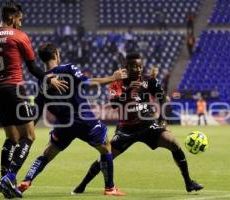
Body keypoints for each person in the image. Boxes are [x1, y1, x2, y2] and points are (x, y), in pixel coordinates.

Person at [72, 53, 203, 194]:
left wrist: (162, 119)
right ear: (126, 67)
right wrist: (128, 90)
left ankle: (188, 183)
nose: (138, 69)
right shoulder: (117, 82)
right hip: (126, 129)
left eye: (140, 66)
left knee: (173, 143)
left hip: (147, 124)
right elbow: (114, 104)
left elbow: (163, 98)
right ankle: (82, 185)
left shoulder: (149, 81)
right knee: (106, 155)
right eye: (134, 66)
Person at [0, 2, 67, 198]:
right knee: (30, 136)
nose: (21, 24)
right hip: (15, 89)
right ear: (11, 17)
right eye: (19, 19)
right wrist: (49, 78)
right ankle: (9, 177)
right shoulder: (19, 36)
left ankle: (3, 180)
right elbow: (33, 68)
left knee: (12, 138)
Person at [17, 43, 127, 196]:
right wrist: (113, 78)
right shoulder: (67, 68)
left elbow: (39, 109)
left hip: (63, 125)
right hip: (84, 119)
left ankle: (27, 179)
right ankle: (110, 188)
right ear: (56, 54)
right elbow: (88, 83)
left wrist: (29, 130)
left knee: (46, 155)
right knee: (106, 147)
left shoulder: (41, 81)